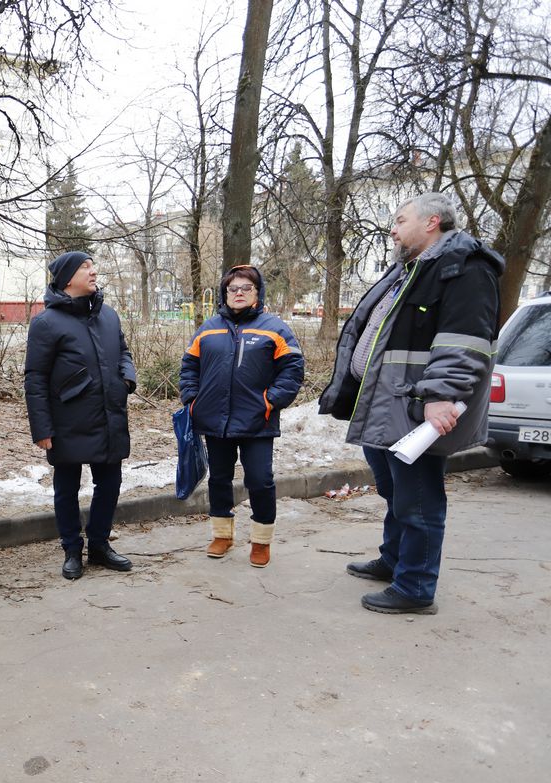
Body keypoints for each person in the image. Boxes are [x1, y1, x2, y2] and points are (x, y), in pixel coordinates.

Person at [319, 193, 501, 615]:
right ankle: (395, 559)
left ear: (432, 221)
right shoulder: (412, 268)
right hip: (386, 402)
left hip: (416, 407)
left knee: (418, 498)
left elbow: (463, 342)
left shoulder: (465, 267)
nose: (393, 229)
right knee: (394, 490)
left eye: (401, 220)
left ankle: (416, 587)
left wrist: (440, 396)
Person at [178, 265, 304, 568]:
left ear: (257, 293)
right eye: (232, 288)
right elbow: (189, 365)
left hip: (257, 420)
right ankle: (222, 535)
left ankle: (261, 540)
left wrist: (270, 401)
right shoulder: (208, 328)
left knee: (260, 480)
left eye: (246, 287)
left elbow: (292, 369)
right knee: (219, 479)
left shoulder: (274, 328)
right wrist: (192, 399)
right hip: (214, 420)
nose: (238, 293)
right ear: (225, 294)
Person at [24, 252, 137, 580]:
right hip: (67, 419)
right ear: (67, 278)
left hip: (109, 414)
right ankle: (72, 550)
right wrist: (41, 427)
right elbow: (35, 378)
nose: (93, 271)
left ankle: (99, 545)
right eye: (85, 267)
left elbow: (124, 352)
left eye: (92, 265)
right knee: (67, 487)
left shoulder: (108, 315)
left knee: (110, 483)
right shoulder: (46, 322)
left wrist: (126, 379)